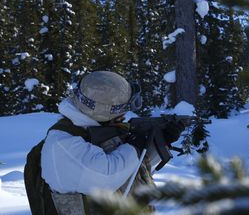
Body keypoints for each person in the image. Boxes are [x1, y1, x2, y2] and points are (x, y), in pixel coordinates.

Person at [27, 71, 184, 215]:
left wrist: (158, 142)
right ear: (105, 111)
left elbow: (130, 172)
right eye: (121, 110)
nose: (124, 115)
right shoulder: (63, 144)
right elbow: (108, 176)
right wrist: (135, 146)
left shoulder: (99, 129)